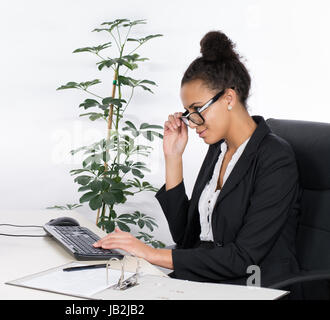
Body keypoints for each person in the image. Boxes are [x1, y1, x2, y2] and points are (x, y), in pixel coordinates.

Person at [93, 30, 302, 288]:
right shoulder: (219, 149)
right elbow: (185, 237)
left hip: (253, 286)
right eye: (188, 113)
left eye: (197, 110)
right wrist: (173, 157)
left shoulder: (275, 158)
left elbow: (243, 259)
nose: (192, 123)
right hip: (206, 280)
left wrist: (150, 253)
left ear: (228, 97)